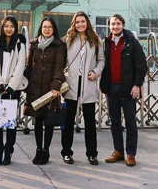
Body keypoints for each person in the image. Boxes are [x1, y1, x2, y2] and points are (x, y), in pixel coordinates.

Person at [99, 14, 147, 167]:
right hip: (111, 88)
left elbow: (141, 65)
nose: (115, 26)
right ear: (109, 26)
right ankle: (118, 151)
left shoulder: (132, 42)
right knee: (114, 122)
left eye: (118, 24)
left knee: (131, 122)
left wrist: (136, 85)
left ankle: (131, 153)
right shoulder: (105, 43)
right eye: (113, 24)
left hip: (128, 88)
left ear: (123, 25)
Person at [60, 11, 105, 165]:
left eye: (83, 21)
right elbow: (62, 61)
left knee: (90, 122)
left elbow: (101, 61)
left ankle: (92, 154)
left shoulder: (95, 40)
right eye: (77, 22)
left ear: (87, 23)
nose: (80, 24)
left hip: (88, 84)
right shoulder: (68, 40)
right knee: (68, 120)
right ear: (74, 24)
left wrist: (96, 72)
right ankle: (66, 152)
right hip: (71, 85)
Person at [24, 17, 66, 165]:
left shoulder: (58, 45)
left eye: (49, 27)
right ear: (40, 28)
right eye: (44, 27)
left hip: (50, 89)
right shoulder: (34, 44)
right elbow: (29, 65)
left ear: (53, 29)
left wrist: (56, 85)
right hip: (35, 87)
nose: (46, 29)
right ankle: (38, 149)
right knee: (37, 119)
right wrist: (23, 82)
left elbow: (59, 66)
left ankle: (46, 150)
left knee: (48, 121)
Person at [0, 16, 27, 166]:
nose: (9, 29)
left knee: (10, 123)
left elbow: (20, 66)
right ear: (2, 27)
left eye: (12, 26)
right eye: (6, 26)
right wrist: (0, 86)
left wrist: (11, 87)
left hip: (13, 89)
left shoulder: (20, 44)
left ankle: (8, 152)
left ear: (16, 28)